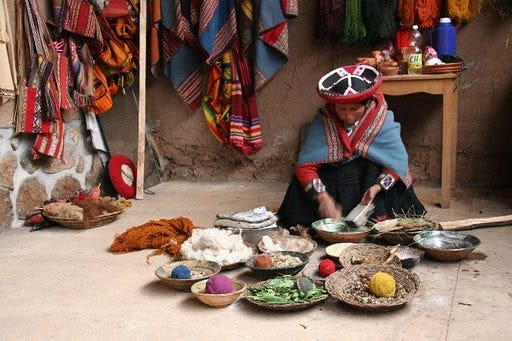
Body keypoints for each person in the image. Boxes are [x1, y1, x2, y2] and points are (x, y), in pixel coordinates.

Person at [278, 64, 426, 228]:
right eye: (342, 108)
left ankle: (376, 220)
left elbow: (397, 165)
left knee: (374, 168)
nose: (347, 115)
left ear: (367, 103)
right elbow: (305, 167)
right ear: (333, 106)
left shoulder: (382, 120)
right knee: (301, 183)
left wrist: (377, 187)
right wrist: (322, 198)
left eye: (355, 109)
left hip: (368, 183)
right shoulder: (324, 120)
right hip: (333, 185)